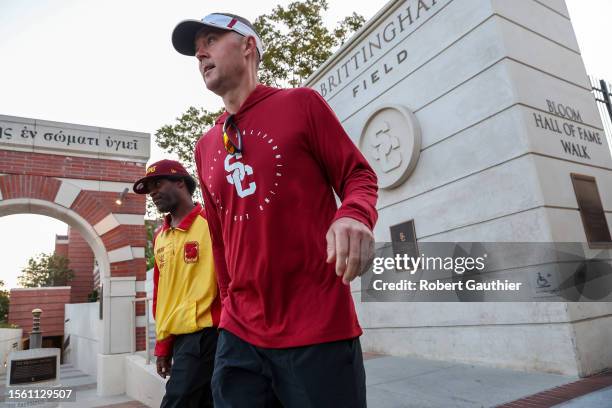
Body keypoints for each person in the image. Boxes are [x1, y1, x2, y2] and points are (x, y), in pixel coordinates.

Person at [172, 12, 378, 407]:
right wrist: (230, 300)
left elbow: (358, 175)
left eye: (211, 39)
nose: (200, 53)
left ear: (248, 46)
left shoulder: (301, 104)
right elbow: (218, 237)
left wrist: (353, 214)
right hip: (239, 333)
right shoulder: (206, 145)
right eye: (197, 49)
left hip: (317, 327)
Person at [133, 159, 221, 408]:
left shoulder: (213, 222)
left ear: (181, 183)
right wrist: (163, 345)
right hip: (182, 341)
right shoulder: (160, 236)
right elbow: (163, 295)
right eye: (149, 189)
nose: (153, 193)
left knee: (177, 401)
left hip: (212, 334)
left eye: (157, 183)